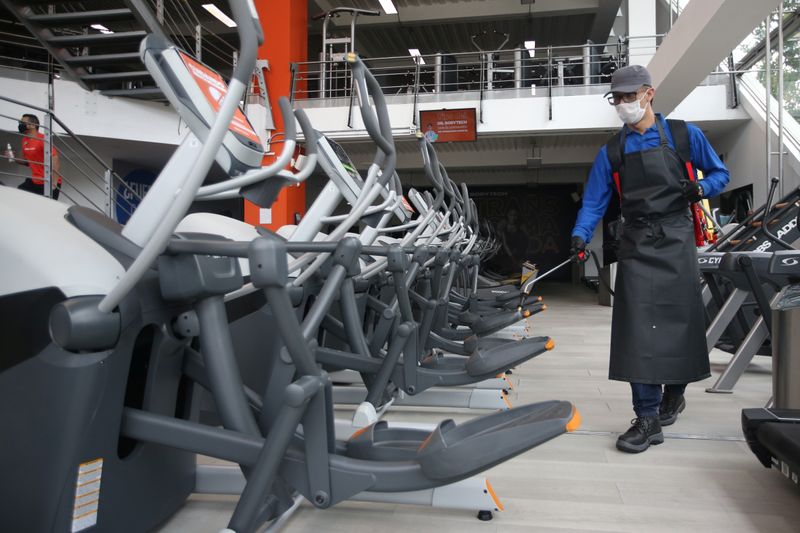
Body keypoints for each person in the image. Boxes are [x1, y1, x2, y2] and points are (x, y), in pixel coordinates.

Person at [570, 65, 729, 453]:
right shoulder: (613, 150)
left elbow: (720, 174)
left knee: (681, 323)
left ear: (649, 93)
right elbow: (594, 200)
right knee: (636, 328)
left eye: (630, 96)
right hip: (637, 241)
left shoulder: (683, 134)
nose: (624, 104)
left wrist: (700, 187)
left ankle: (674, 392)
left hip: (676, 238)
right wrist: (579, 234)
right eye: (618, 99)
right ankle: (646, 417)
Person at [14, 114, 61, 199]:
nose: (20, 124)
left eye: (23, 122)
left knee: (47, 208)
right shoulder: (24, 140)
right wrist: (12, 157)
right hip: (35, 181)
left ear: (33, 125)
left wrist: (54, 183)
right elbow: (26, 162)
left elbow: (55, 159)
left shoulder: (43, 139)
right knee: (20, 193)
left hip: (48, 182)